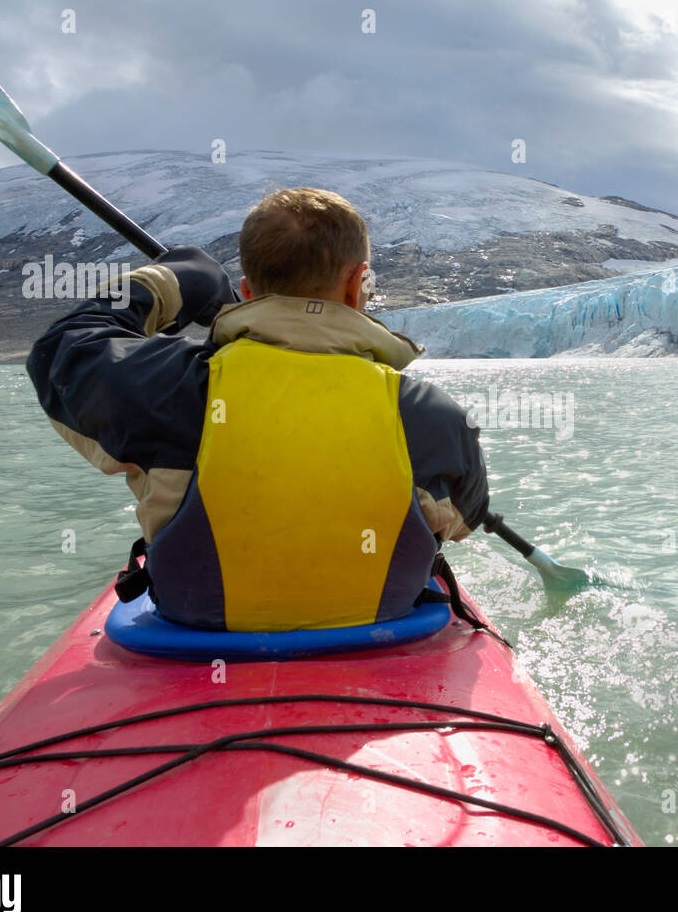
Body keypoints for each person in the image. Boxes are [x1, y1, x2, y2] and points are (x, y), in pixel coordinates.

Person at [26, 187, 489, 632]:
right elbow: (465, 518)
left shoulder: (170, 387)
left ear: (247, 291)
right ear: (356, 285)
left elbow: (62, 349)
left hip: (195, 635)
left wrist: (174, 281)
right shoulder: (432, 413)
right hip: (382, 628)